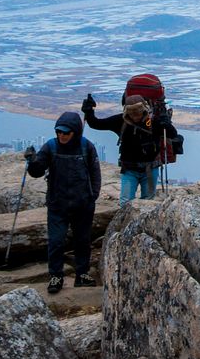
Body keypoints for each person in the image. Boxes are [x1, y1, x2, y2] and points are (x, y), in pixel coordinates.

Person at [24, 111, 102, 293]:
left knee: (82, 241)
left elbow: (95, 173)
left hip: (83, 204)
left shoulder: (86, 147)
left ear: (75, 132)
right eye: (59, 132)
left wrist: (93, 196)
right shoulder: (51, 147)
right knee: (56, 241)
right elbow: (37, 172)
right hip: (58, 204)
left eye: (66, 132)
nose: (62, 135)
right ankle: (56, 276)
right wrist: (32, 162)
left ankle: (82, 274)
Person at [83, 90, 183, 201]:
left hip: (147, 168)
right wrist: (89, 112)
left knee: (139, 201)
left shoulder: (151, 121)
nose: (135, 115)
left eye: (138, 112)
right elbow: (96, 124)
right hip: (133, 169)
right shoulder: (126, 121)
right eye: (132, 112)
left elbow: (172, 134)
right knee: (134, 201)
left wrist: (167, 124)